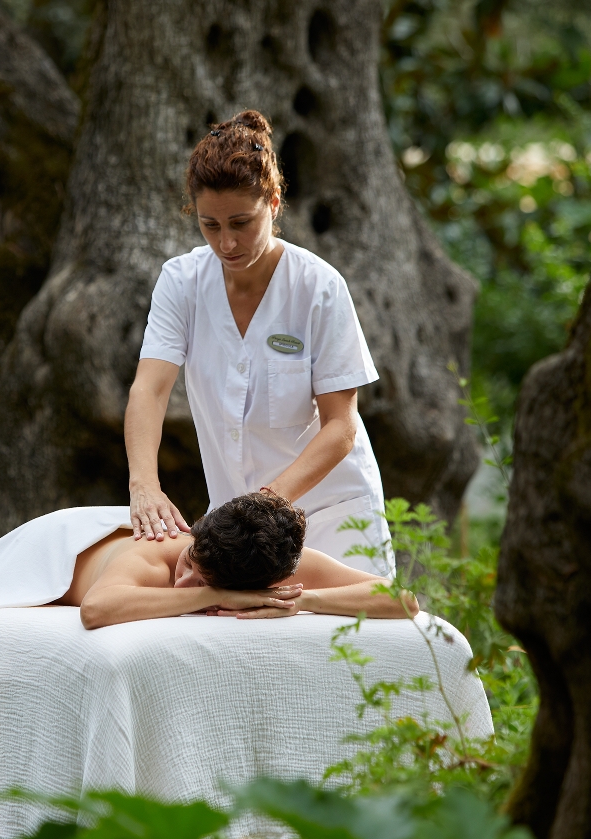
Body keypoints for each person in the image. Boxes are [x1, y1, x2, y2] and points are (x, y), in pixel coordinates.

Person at [125, 109, 392, 575]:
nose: (227, 243)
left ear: (273, 202)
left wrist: (263, 505)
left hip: (333, 517)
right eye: (210, 225)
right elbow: (149, 389)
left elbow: (341, 428)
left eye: (241, 223)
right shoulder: (181, 282)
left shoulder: (319, 288)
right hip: (244, 530)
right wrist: (144, 484)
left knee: (343, 643)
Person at [0, 492, 414, 629]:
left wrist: (299, 602)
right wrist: (214, 594)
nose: (183, 576)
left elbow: (404, 600)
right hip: (57, 548)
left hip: (91, 546)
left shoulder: (277, 564)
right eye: (191, 563)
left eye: (199, 578)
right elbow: (96, 609)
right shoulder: (159, 555)